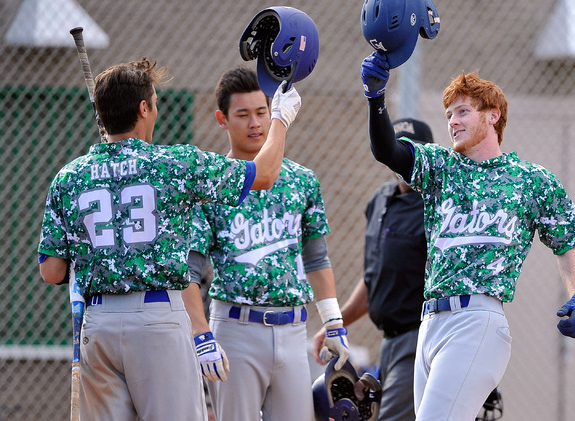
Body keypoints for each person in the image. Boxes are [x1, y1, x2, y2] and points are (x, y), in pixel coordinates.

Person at [38, 57, 301, 421]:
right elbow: (265, 174)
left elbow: (51, 271)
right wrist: (280, 119)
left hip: (96, 326)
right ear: (143, 108)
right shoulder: (174, 164)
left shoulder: (69, 176)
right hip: (157, 320)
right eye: (156, 102)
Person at [360, 52, 575, 420]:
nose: (452, 121)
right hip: (430, 324)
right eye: (449, 114)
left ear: (493, 116)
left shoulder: (531, 179)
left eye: (463, 111)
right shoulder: (440, 166)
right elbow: (386, 149)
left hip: (478, 321)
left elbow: (569, 243)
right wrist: (376, 98)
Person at [183, 67, 349, 421]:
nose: (255, 123)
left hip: (292, 329)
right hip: (235, 329)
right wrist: (200, 334)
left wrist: (333, 320)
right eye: (242, 114)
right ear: (222, 119)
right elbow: (190, 271)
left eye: (262, 112)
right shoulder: (213, 185)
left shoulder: (301, 179)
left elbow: (316, 258)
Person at [312, 117, 432, 421]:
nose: (405, 159)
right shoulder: (380, 200)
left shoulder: (435, 205)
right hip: (389, 342)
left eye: (414, 151)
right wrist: (337, 322)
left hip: (418, 335)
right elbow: (374, 278)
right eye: (400, 149)